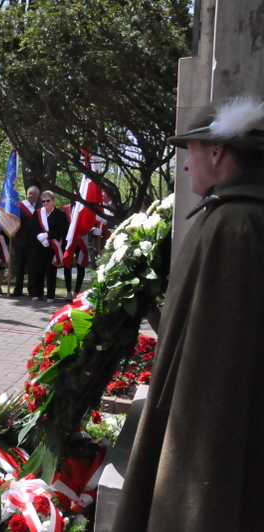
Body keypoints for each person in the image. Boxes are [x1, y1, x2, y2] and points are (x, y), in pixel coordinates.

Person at [112, 96, 264, 532]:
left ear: (217, 152)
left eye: (190, 152)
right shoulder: (231, 215)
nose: (184, 165)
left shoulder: (235, 224)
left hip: (212, 435)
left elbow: (216, 365)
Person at [29, 191, 67, 302]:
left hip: (52, 247)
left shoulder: (60, 214)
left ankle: (50, 295)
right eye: (43, 201)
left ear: (53, 201)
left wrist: (48, 235)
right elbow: (32, 228)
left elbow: (62, 230)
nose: (45, 203)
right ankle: (38, 293)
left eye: (48, 201)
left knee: (50, 271)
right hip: (38, 246)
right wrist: (39, 237)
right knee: (38, 270)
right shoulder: (37, 213)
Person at [10, 186, 40, 297]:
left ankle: (32, 290)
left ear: (38, 195)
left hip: (35, 243)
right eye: (29, 193)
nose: (31, 195)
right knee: (19, 267)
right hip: (20, 241)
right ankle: (18, 289)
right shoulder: (19, 206)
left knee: (32, 267)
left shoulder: (41, 207)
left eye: (34, 194)